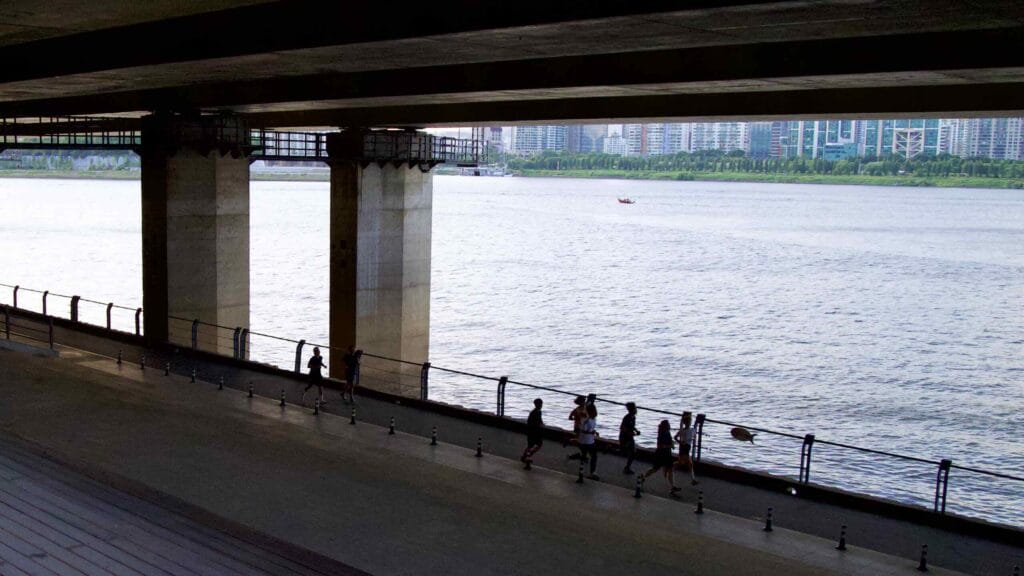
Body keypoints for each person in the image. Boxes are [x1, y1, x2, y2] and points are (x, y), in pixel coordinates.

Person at [642, 420, 680, 496]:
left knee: (670, 469)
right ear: (666, 426)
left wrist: (671, 443)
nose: (670, 426)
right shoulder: (661, 434)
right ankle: (643, 477)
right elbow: (660, 446)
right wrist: (670, 445)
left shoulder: (667, 432)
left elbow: (669, 441)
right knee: (654, 469)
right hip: (661, 455)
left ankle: (672, 487)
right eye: (668, 425)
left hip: (667, 454)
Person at [674, 411, 698, 485]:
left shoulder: (692, 430)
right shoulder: (683, 431)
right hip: (684, 447)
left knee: (682, 462)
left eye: (689, 422)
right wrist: (681, 442)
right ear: (685, 423)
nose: (689, 423)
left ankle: (672, 468)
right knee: (687, 463)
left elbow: (694, 437)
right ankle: (693, 479)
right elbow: (675, 437)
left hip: (687, 447)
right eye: (687, 422)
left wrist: (691, 439)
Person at [521, 398, 544, 470]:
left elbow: (539, 421)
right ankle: (527, 458)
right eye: (540, 404)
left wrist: (541, 424)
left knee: (531, 446)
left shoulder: (537, 412)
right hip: (534, 432)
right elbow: (532, 423)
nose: (541, 405)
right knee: (535, 445)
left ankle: (525, 456)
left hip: (533, 432)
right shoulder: (535, 413)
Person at [578, 403, 600, 480]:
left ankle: (582, 473)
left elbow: (590, 429)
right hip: (586, 441)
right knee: (593, 456)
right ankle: (591, 473)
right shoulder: (586, 420)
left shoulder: (592, 419)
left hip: (590, 440)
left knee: (585, 456)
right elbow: (583, 430)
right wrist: (592, 433)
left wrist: (594, 431)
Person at [619, 402, 640, 474]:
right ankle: (627, 468)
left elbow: (632, 426)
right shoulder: (627, 417)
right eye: (635, 408)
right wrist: (630, 433)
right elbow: (623, 428)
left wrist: (636, 430)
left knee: (632, 452)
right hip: (625, 437)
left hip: (629, 437)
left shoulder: (633, 417)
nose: (636, 410)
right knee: (632, 452)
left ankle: (627, 467)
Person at [566, 395, 587, 460]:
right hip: (582, 427)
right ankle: (582, 455)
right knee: (581, 441)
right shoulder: (586, 409)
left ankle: (582, 454)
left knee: (580, 441)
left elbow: (570, 417)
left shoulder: (576, 409)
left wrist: (575, 418)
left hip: (577, 426)